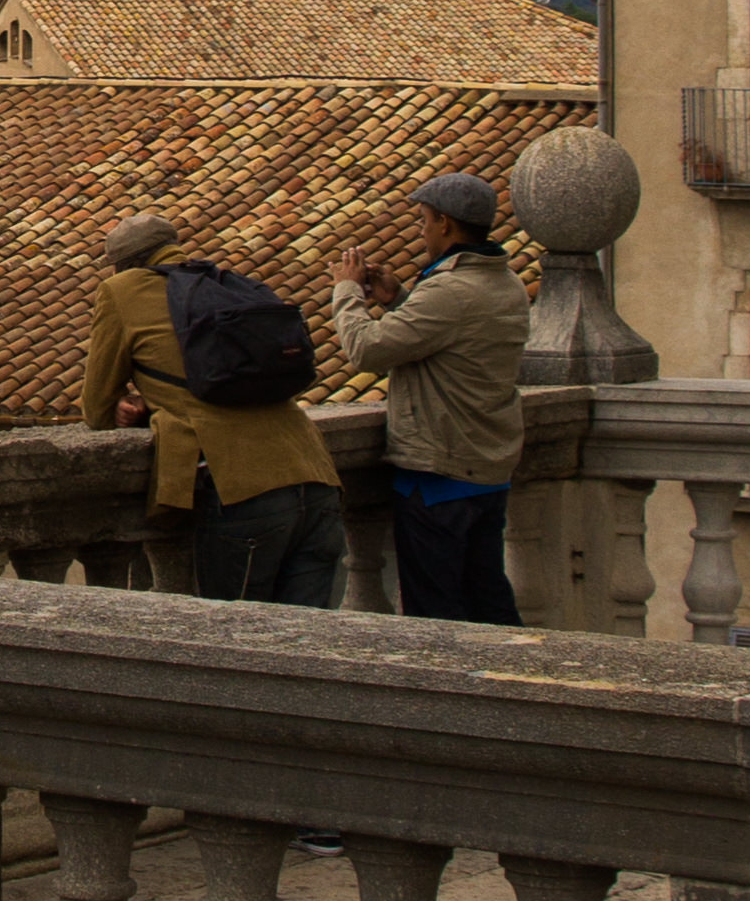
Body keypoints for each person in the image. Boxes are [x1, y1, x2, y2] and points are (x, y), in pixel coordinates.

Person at [81, 214, 344, 607]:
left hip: (242, 489)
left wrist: (142, 404)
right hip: (316, 477)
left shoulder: (121, 291)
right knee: (309, 639)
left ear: (122, 264)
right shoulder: (224, 283)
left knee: (238, 636)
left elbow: (96, 407)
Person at [330, 173, 528, 625]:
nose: (421, 232)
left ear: (444, 222)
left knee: (434, 614)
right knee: (487, 600)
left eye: (423, 221)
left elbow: (367, 350)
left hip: (440, 472)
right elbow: (451, 340)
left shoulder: (449, 290)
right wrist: (398, 299)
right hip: (488, 468)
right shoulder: (507, 283)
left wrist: (346, 290)